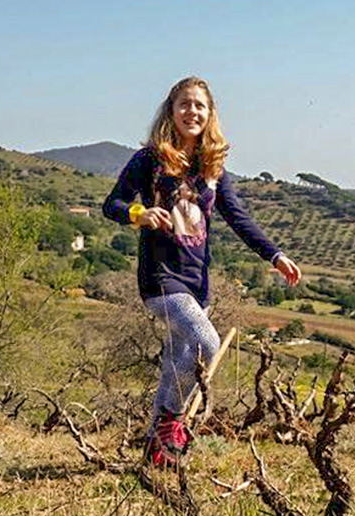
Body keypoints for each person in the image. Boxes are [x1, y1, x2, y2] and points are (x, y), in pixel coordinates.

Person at [103, 76, 302, 467]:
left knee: (176, 364)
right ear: (171, 111)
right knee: (206, 345)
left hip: (198, 282)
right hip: (161, 278)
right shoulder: (150, 160)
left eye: (200, 106)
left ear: (210, 114)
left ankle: (155, 451)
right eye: (184, 104)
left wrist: (274, 255)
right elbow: (112, 204)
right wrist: (139, 214)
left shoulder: (213, 168)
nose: (192, 111)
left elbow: (239, 218)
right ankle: (171, 423)